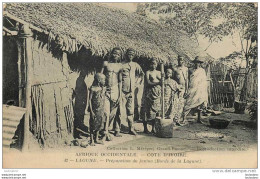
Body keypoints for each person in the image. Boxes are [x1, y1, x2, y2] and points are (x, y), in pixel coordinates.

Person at [121, 48, 144, 135]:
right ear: (126, 54)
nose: (130, 56)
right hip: (122, 91)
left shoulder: (135, 65)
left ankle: (131, 128)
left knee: (130, 111)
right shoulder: (122, 64)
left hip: (131, 91)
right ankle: (118, 128)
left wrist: (137, 83)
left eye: (132, 54)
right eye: (129, 54)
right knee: (121, 110)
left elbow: (142, 74)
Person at [102, 47, 123, 137]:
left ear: (120, 56)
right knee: (106, 112)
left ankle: (106, 128)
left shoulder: (120, 66)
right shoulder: (106, 64)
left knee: (113, 113)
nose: (116, 55)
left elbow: (120, 81)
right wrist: (102, 88)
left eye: (118, 54)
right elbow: (100, 76)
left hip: (115, 90)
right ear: (111, 53)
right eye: (114, 53)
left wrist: (120, 95)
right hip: (106, 89)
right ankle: (105, 131)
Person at [182, 56, 208, 124]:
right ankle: (183, 118)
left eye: (198, 63)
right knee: (188, 103)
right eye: (196, 63)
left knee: (199, 104)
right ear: (194, 63)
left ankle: (199, 119)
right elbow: (187, 80)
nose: (197, 64)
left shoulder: (202, 71)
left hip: (200, 89)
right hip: (192, 88)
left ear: (200, 63)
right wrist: (187, 88)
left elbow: (204, 81)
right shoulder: (190, 70)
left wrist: (203, 89)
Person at [143, 59, 161, 133]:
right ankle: (145, 128)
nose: (153, 65)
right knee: (147, 110)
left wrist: (162, 80)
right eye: (152, 64)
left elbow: (163, 81)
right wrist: (158, 83)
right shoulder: (148, 72)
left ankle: (154, 128)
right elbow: (148, 82)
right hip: (150, 93)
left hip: (157, 92)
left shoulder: (159, 72)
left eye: (155, 64)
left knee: (156, 110)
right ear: (150, 64)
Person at [89, 73, 106, 146]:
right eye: (103, 79)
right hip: (94, 109)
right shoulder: (93, 88)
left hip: (101, 109)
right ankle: (92, 140)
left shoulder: (102, 88)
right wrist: (91, 111)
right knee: (93, 124)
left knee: (99, 123)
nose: (104, 81)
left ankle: (96, 139)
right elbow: (89, 100)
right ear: (99, 80)